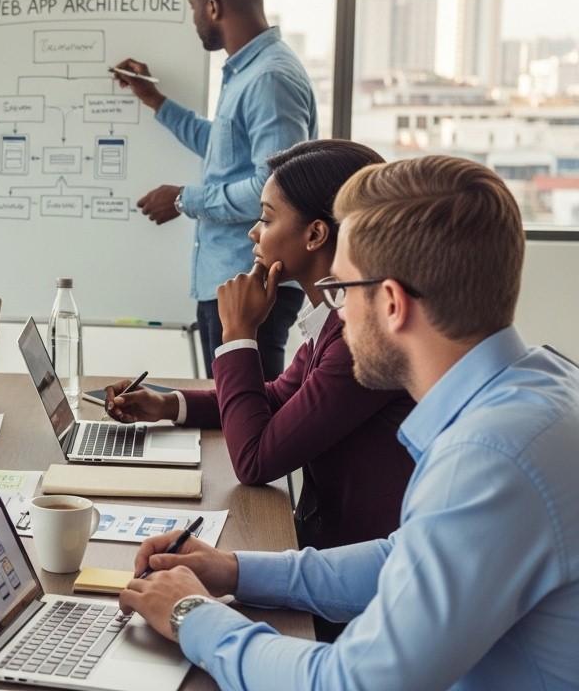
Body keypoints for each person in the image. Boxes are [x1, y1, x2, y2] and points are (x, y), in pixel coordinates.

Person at [118, 156, 579, 689]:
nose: (336, 313)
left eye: (341, 290)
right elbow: (400, 557)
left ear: (390, 303)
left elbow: (350, 682)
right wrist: (235, 569)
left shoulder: (487, 459)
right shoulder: (541, 388)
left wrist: (190, 616)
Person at [105, 140, 416, 640]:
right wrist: (170, 405)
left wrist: (238, 334)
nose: (254, 232)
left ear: (316, 234)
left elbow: (254, 459)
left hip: (356, 596)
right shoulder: (336, 323)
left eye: (267, 219)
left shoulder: (363, 341)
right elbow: (275, 399)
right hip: (322, 556)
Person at [113, 0, 316, 379]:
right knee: (230, 418)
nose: (192, 19)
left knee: (244, 422)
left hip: (252, 288)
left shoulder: (268, 78)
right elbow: (223, 148)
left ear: (212, 6)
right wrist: (156, 102)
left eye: (192, 7)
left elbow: (272, 187)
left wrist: (185, 199)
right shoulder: (247, 73)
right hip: (231, 283)